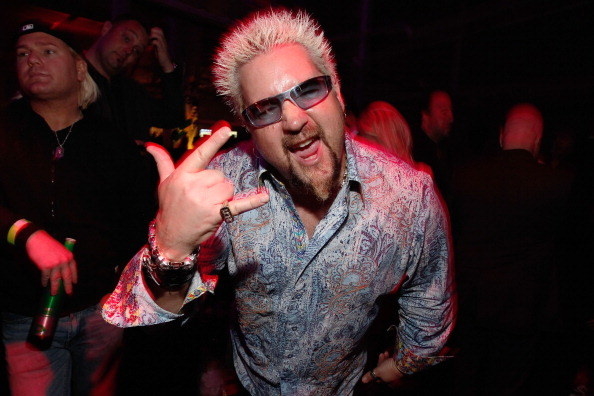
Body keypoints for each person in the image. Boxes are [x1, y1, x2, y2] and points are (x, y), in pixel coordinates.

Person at [103, 8, 455, 395]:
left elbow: (429, 306)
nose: (292, 119)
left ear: (337, 93)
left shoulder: (410, 197)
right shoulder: (224, 182)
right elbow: (143, 316)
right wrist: (171, 245)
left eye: (308, 90)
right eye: (265, 108)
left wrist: (398, 367)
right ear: (248, 125)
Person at [0, 21, 154, 394]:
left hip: (100, 312)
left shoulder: (112, 142)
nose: (32, 60)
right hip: (23, 313)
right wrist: (25, 232)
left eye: (47, 51)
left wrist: (120, 290)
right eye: (23, 54)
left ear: (79, 68)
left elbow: (138, 224)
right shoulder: (4, 130)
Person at [450, 103, 574, 394]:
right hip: (522, 311)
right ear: (537, 139)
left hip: (469, 305)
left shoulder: (465, 177)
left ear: (503, 135)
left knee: (463, 379)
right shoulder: (558, 183)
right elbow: (568, 248)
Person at [84, 15, 185, 143]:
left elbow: (173, 116)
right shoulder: (69, 76)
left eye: (136, 51)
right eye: (126, 38)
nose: (129, 51)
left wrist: (167, 65)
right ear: (106, 29)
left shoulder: (130, 93)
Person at [412, 89, 454, 197]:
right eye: (444, 112)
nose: (450, 118)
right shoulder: (415, 153)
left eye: (450, 111)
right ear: (425, 115)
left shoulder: (448, 150)